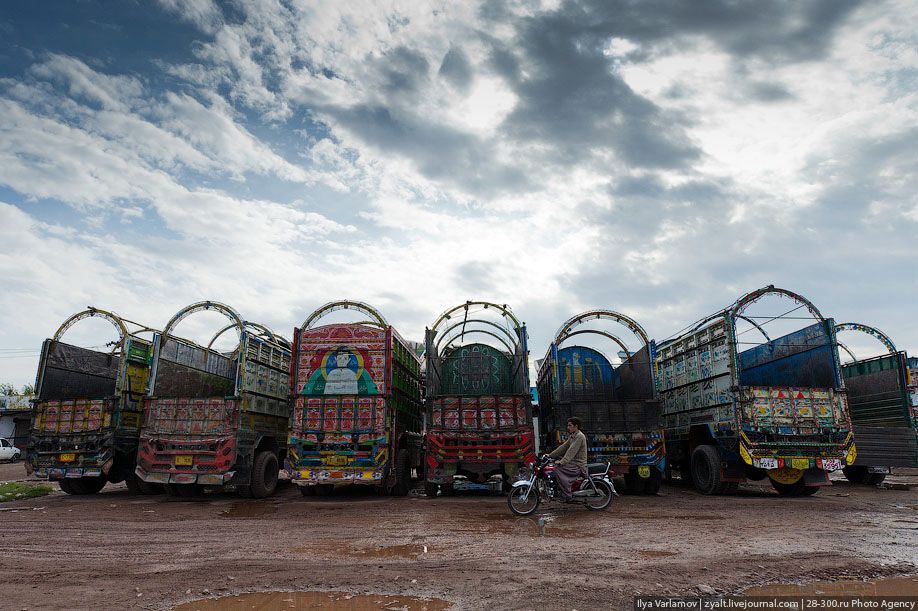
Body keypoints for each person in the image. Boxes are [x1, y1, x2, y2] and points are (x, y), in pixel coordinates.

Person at [548, 417, 587, 501]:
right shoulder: (573, 436)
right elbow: (563, 447)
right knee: (553, 467)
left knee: (556, 470)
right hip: (573, 463)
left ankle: (567, 494)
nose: (568, 427)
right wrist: (550, 455)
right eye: (568, 425)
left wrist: (562, 462)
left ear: (576, 426)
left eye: (570, 425)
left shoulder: (580, 436)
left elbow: (571, 451)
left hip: (578, 465)